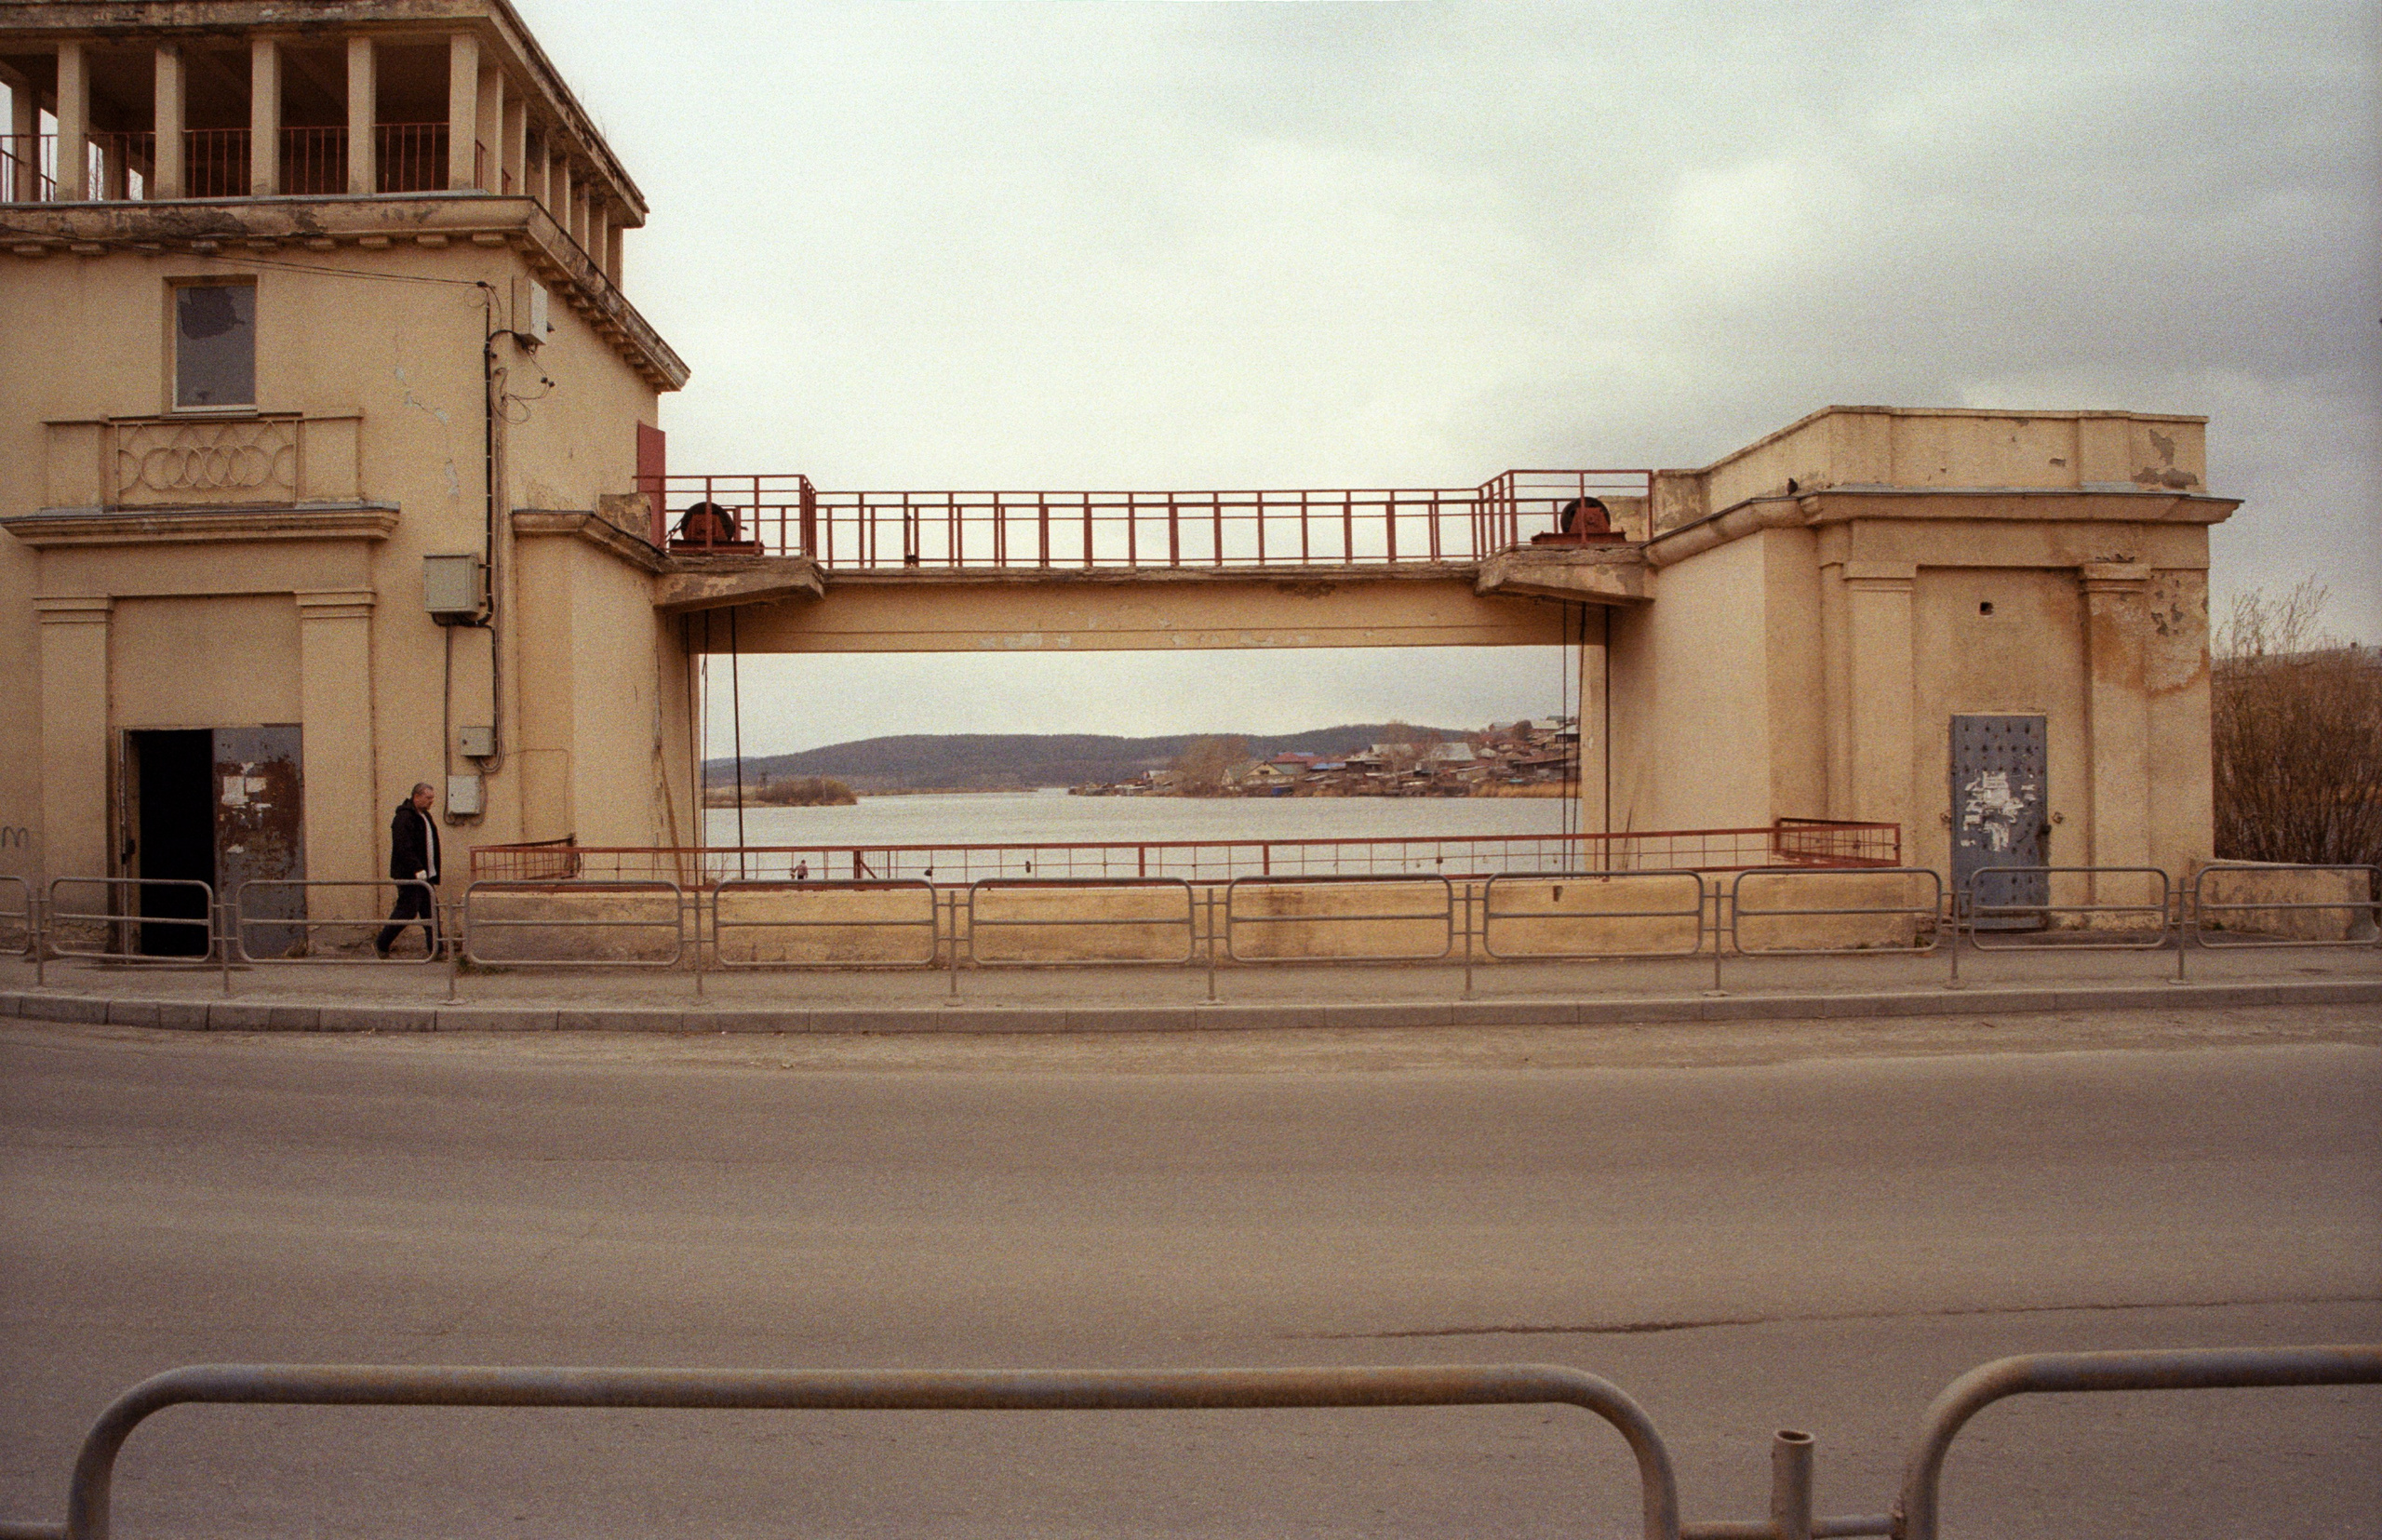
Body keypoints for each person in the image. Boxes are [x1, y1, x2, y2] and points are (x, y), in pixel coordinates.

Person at [375, 783, 442, 957]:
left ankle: (436, 949)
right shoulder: (404, 818)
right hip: (411, 874)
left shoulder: (424, 816)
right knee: (407, 910)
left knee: (431, 910)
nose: (431, 801)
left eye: (432, 798)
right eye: (428, 798)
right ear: (416, 796)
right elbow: (403, 846)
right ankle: (381, 943)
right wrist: (417, 868)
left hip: (424, 874)